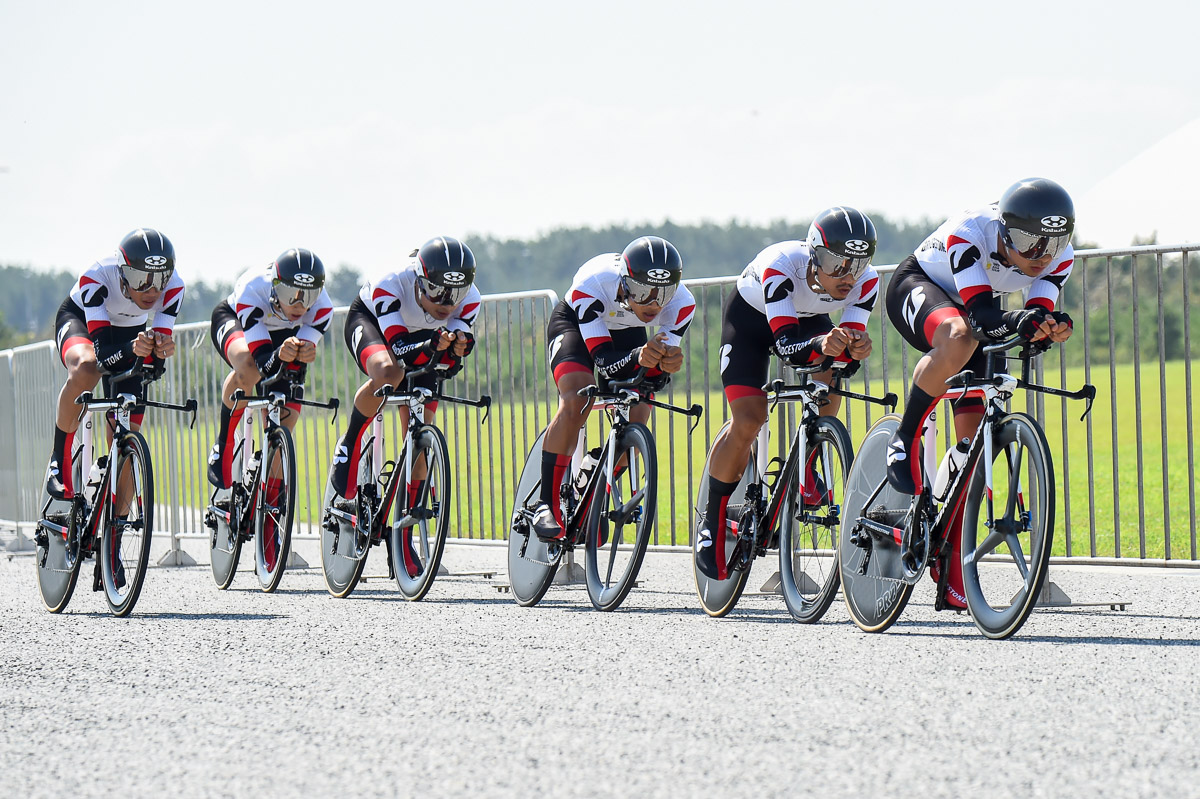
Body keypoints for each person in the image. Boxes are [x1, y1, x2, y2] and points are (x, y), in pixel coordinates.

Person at [883, 177, 1076, 608]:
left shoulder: (1059, 258)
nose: (1039, 256)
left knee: (974, 450)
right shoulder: (971, 232)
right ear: (1005, 232)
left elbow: (1031, 320)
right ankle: (905, 438)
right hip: (923, 287)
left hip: (978, 311)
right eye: (1028, 242)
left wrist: (1048, 328)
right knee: (960, 335)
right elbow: (986, 316)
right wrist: (1026, 320)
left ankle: (951, 569)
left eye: (1052, 243)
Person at [695, 207, 880, 579]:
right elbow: (786, 346)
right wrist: (829, 345)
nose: (847, 275)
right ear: (814, 257)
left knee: (831, 378)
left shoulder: (868, 282)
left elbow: (843, 349)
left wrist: (853, 348)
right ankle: (711, 519)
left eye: (857, 264)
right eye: (836, 263)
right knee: (749, 419)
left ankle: (809, 468)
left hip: (807, 322)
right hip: (752, 323)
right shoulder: (782, 266)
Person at [328, 236, 480, 570]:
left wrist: (457, 351)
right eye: (437, 291)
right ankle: (351, 444)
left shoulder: (471, 301)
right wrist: (437, 344)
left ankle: (403, 541)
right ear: (420, 280)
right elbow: (398, 349)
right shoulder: (391, 282)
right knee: (389, 372)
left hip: (423, 342)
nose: (446, 303)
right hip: (375, 325)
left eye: (456, 294)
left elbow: (448, 364)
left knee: (421, 433)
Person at [531, 235, 695, 541]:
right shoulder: (593, 284)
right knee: (577, 398)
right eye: (644, 292)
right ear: (625, 283)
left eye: (664, 294)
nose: (653, 304)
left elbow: (656, 377)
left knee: (640, 408)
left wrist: (665, 365)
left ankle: (593, 481)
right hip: (578, 327)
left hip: (628, 332)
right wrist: (640, 357)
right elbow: (604, 361)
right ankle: (547, 504)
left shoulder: (683, 304)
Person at [46, 228, 184, 500]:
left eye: (160, 279)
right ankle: (58, 460)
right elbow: (102, 356)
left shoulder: (175, 287)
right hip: (84, 324)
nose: (151, 290)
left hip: (128, 335)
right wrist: (133, 349)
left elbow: (154, 365)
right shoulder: (96, 275)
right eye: (139, 279)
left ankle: (116, 538)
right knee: (86, 369)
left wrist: (161, 350)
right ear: (122, 272)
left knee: (126, 443)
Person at [208, 248, 333, 490]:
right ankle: (224, 443)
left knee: (285, 416)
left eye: (308, 297)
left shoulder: (323, 308)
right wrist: (279, 354)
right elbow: (264, 362)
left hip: (282, 334)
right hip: (237, 321)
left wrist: (304, 353)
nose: (298, 303)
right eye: (290, 294)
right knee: (248, 367)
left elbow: (296, 366)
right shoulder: (253, 288)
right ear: (275, 286)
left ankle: (272, 514)